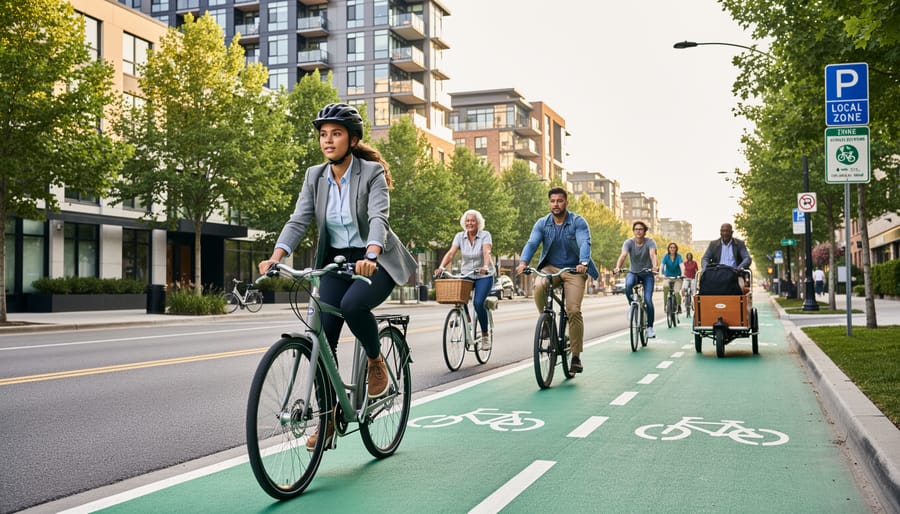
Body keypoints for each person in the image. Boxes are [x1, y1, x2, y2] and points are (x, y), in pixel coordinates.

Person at [257, 103, 416, 449]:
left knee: (353, 305)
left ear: (352, 138)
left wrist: (371, 253)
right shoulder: (315, 176)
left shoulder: (371, 173)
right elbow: (299, 219)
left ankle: (376, 363)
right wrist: (276, 255)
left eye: (336, 134)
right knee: (320, 340)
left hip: (375, 263)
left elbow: (379, 219)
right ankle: (328, 419)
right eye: (323, 135)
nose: (327, 141)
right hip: (335, 263)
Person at [515, 188, 599, 374]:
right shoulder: (542, 223)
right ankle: (546, 322)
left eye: (560, 201)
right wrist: (523, 262)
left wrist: (584, 262)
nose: (556, 204)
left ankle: (576, 356)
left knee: (573, 310)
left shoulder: (577, 222)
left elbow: (585, 241)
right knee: (539, 285)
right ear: (549, 203)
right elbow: (532, 243)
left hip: (574, 269)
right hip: (551, 268)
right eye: (552, 201)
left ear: (566, 202)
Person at [434, 210, 495, 349]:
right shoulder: (460, 236)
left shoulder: (485, 235)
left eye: (473, 220)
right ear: (464, 223)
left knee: (478, 303)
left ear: (478, 222)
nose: (470, 223)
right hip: (467, 273)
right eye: (467, 221)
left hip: (483, 275)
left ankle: (485, 335)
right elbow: (451, 253)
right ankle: (466, 318)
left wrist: (485, 266)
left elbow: (487, 252)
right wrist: (441, 267)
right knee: (459, 298)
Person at [613, 221, 659, 338]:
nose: (638, 231)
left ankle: (649, 328)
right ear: (633, 231)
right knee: (628, 285)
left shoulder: (650, 242)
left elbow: (653, 255)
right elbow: (623, 255)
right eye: (636, 229)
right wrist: (618, 267)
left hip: (647, 274)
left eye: (641, 229)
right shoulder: (628, 242)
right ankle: (632, 306)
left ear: (644, 231)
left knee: (648, 300)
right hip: (633, 272)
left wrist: (654, 267)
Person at [701, 223, 752, 294]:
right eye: (722, 231)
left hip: (735, 275)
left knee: (741, 288)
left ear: (732, 232)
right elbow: (705, 258)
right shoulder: (713, 244)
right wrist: (705, 269)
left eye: (727, 231)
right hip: (717, 275)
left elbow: (747, 258)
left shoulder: (739, 244)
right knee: (706, 289)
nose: (725, 233)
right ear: (720, 232)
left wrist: (739, 268)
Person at [660, 242, 685, 314]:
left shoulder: (679, 256)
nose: (672, 249)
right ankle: (665, 305)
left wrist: (682, 274)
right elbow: (662, 265)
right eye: (671, 247)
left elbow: (682, 266)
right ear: (668, 248)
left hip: (677, 277)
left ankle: (679, 306)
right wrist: (661, 274)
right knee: (665, 287)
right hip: (668, 277)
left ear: (676, 249)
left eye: (674, 247)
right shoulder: (666, 256)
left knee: (677, 292)